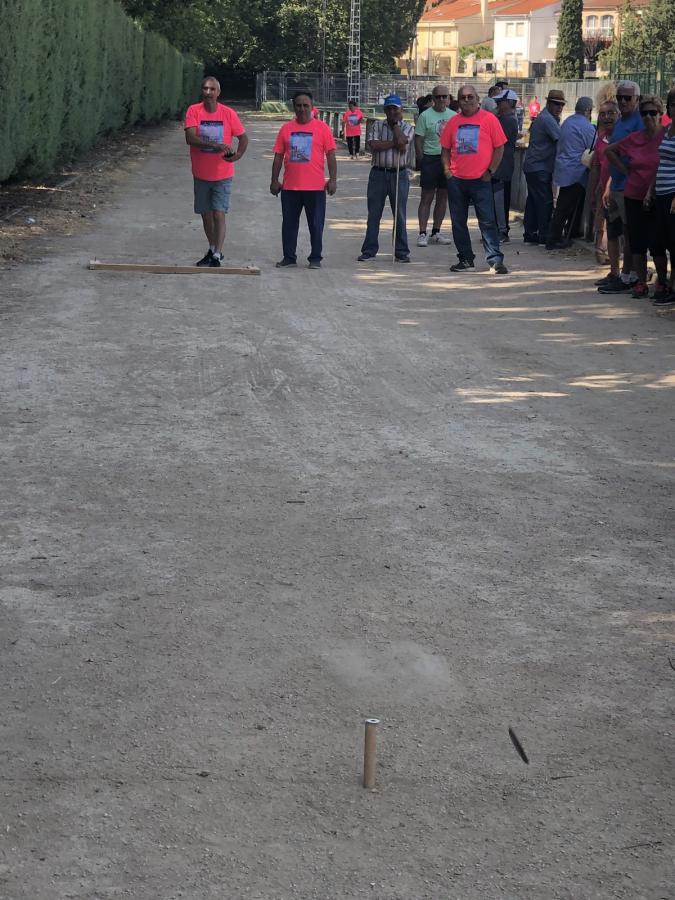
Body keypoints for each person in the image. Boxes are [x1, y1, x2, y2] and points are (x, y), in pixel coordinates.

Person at [440, 84, 508, 273]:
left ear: (478, 99)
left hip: (481, 180)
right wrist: (447, 171)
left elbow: (500, 147)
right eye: (463, 97)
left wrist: (491, 171)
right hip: (457, 180)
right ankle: (465, 259)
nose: (467, 100)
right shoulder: (452, 122)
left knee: (487, 221)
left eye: (470, 97)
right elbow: (445, 149)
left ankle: (495, 260)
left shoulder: (489, 119)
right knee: (458, 222)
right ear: (458, 101)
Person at [604, 95, 666, 299]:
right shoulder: (635, 138)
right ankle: (640, 281)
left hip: (658, 195)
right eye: (644, 113)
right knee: (636, 241)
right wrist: (625, 170)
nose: (648, 117)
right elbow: (609, 151)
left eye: (652, 113)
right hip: (634, 194)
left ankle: (662, 282)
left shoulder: (666, 136)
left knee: (657, 242)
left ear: (660, 114)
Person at [184, 76, 248, 267]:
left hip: (222, 174)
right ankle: (212, 249)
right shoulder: (194, 111)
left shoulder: (228, 113)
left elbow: (243, 138)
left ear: (218, 93)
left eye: (212, 89)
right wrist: (215, 145)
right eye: (205, 89)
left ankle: (217, 254)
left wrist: (238, 155)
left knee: (219, 214)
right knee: (206, 215)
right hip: (201, 173)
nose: (208, 92)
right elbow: (190, 138)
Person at [270, 90, 337, 269]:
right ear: (294, 107)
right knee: (289, 224)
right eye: (298, 105)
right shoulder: (286, 129)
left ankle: (315, 258)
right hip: (290, 187)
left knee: (316, 225)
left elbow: (331, 155)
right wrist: (274, 180)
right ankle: (289, 257)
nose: (302, 109)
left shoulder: (322, 128)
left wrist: (333, 180)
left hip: (315, 188)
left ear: (312, 107)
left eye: (305, 105)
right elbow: (278, 156)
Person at [597, 80, 644, 294]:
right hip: (616, 185)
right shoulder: (621, 122)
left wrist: (627, 173)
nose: (623, 101)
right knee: (615, 230)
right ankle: (618, 273)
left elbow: (637, 154)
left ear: (637, 99)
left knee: (629, 232)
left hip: (629, 186)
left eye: (628, 98)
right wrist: (609, 184)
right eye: (620, 97)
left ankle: (628, 275)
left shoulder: (638, 122)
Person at [358, 94, 415, 263]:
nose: (391, 112)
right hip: (378, 173)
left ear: (401, 110)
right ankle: (369, 250)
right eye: (388, 109)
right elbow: (374, 146)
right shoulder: (376, 125)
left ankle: (401, 252)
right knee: (374, 213)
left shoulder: (407, 127)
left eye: (394, 109)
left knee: (400, 214)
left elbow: (403, 143)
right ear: (384, 110)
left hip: (399, 174)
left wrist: (395, 126)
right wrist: (395, 143)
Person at [545, 97, 596, 249]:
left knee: (567, 205)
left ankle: (569, 233)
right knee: (565, 207)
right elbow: (594, 147)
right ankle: (554, 238)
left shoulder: (568, 122)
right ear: (588, 111)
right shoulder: (587, 127)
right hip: (576, 172)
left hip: (564, 169)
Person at [414, 85, 455, 247]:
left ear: (449, 98)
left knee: (443, 196)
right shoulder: (425, 116)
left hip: (448, 160)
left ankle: (436, 231)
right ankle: (422, 232)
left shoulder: (453, 116)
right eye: (438, 97)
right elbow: (418, 140)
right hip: (430, 158)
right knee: (427, 197)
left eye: (444, 96)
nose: (441, 99)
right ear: (433, 98)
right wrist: (422, 160)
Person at [522, 89, 564, 244]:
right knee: (545, 201)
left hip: (535, 166)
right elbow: (560, 139)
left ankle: (530, 233)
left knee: (533, 201)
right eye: (556, 104)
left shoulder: (546, 117)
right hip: (540, 166)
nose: (559, 108)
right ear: (549, 103)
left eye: (561, 105)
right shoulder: (547, 119)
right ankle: (545, 235)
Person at [647, 88, 675, 304]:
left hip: (673, 194)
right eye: (673, 104)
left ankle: (672, 287)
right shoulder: (667, 130)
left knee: (673, 244)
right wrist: (651, 189)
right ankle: (663, 282)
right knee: (658, 241)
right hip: (661, 192)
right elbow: (661, 162)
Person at [590, 100, 619, 264]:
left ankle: (615, 254)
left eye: (610, 113)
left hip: (619, 187)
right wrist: (594, 189)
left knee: (616, 223)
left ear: (618, 115)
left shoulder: (623, 138)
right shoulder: (601, 139)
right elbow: (596, 166)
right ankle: (600, 250)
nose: (606, 117)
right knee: (601, 220)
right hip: (602, 188)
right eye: (602, 114)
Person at [492, 88, 519, 242]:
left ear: (509, 103)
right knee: (498, 199)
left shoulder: (507, 120)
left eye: (500, 102)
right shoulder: (505, 119)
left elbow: (497, 140)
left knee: (500, 200)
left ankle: (502, 231)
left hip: (502, 166)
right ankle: (499, 229)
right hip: (500, 165)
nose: (498, 104)